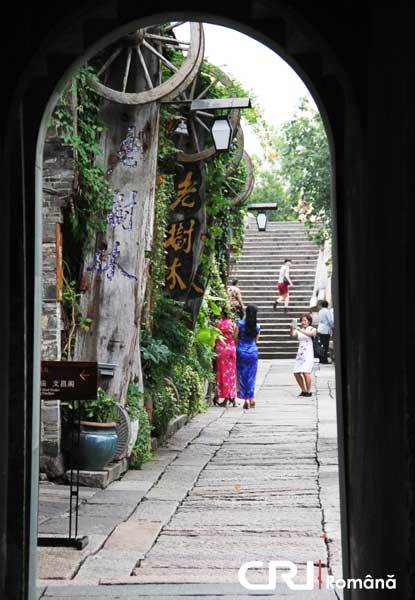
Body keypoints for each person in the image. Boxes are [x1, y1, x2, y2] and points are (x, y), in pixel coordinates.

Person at [235, 304, 260, 409]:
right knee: (252, 376)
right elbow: (256, 341)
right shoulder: (257, 326)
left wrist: (240, 344)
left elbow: (234, 337)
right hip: (253, 352)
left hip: (241, 351)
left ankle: (246, 399)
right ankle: (252, 398)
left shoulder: (239, 324)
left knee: (242, 375)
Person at [213, 309, 237, 407]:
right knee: (231, 374)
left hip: (221, 350)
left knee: (222, 374)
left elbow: (215, 338)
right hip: (231, 350)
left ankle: (224, 397)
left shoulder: (218, 324)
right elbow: (235, 338)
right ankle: (232, 397)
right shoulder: (233, 324)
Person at [290, 313, 317, 397]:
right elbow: (292, 335)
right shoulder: (298, 329)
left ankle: (309, 391)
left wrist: (300, 330)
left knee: (306, 372)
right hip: (300, 353)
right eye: (302, 320)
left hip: (308, 353)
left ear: (309, 321)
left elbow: (311, 334)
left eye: (305, 320)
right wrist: (291, 328)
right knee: (296, 372)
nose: (303, 322)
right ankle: (303, 390)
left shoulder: (312, 329)